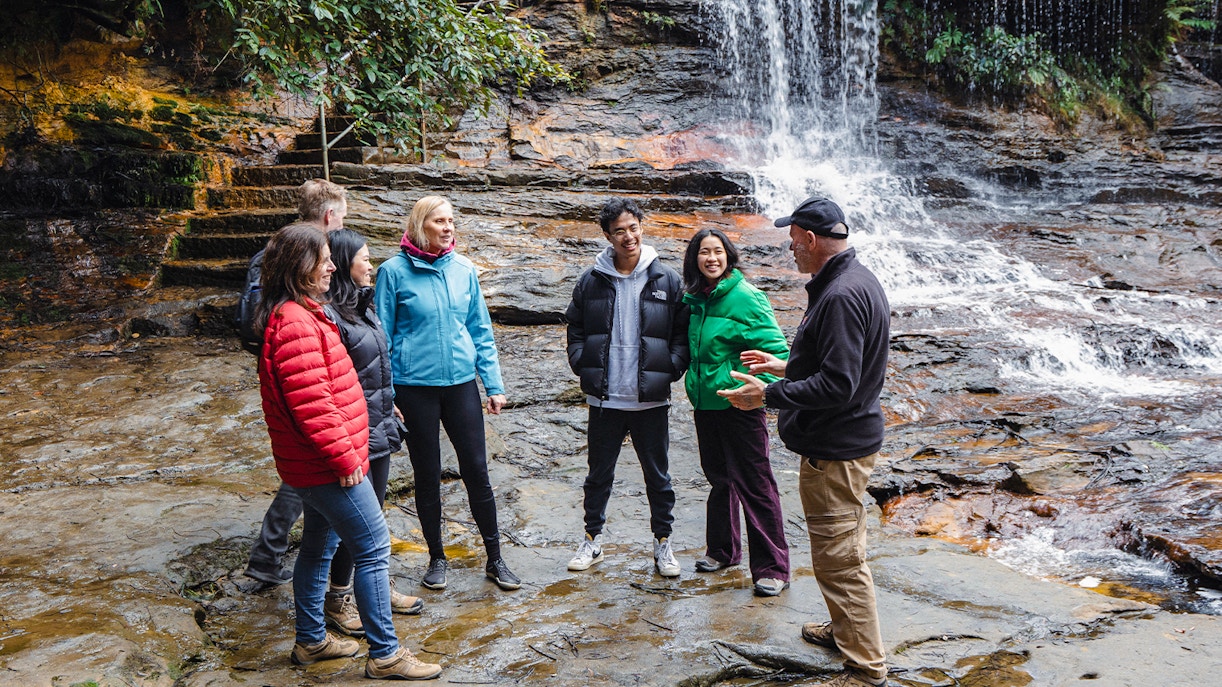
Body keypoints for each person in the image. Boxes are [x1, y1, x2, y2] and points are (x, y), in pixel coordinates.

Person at [256, 223, 441, 680]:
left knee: (319, 547)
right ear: (302, 267)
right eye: (324, 258)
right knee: (374, 547)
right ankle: (385, 654)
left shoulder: (303, 312)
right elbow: (314, 406)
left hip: (318, 463)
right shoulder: (296, 323)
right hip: (326, 465)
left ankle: (312, 641)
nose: (332, 266)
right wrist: (347, 461)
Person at [719, 197, 890, 687]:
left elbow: (839, 384)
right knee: (842, 547)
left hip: (836, 450)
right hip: (849, 442)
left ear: (810, 239)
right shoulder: (857, 280)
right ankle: (844, 631)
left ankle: (865, 669)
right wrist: (785, 367)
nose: (789, 247)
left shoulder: (838, 296)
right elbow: (839, 365)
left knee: (839, 560)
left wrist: (766, 395)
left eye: (792, 238)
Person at [373, 196, 520, 592]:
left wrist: (494, 385)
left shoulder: (464, 270)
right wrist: (387, 396)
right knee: (427, 474)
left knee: (477, 469)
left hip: (460, 386)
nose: (448, 227)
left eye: (452, 221)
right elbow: (380, 340)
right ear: (421, 224)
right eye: (440, 221)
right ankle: (436, 558)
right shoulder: (392, 272)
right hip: (413, 389)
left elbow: (480, 330)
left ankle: (495, 558)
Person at [564, 197, 689, 577]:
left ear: (641, 228)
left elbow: (682, 334)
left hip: (650, 399)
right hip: (605, 398)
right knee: (598, 474)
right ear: (607, 236)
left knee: (659, 476)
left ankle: (663, 543)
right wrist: (581, 364)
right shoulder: (591, 280)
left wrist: (670, 369)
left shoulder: (666, 278)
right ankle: (592, 540)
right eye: (619, 230)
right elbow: (576, 330)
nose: (628, 236)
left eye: (633, 228)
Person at [319, 229, 424, 637]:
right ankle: (339, 597)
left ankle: (374, 588)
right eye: (364, 258)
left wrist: (390, 400)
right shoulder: (331, 316)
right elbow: (335, 382)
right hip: (352, 430)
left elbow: (376, 364)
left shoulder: (364, 306)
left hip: (378, 422)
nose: (371, 265)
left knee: (375, 513)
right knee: (359, 523)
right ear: (346, 264)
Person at [243, 179, 347, 586]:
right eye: (341, 217)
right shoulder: (316, 258)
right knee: (307, 467)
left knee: (303, 465)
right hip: (305, 368)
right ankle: (269, 556)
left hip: (281, 367)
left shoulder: (276, 249)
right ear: (329, 215)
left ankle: (268, 557)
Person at [681, 228, 791, 597]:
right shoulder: (698, 299)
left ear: (728, 256)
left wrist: (759, 390)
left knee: (755, 483)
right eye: (704, 252)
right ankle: (723, 551)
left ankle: (773, 568)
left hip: (741, 404)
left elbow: (780, 354)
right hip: (706, 403)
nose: (711, 258)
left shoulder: (746, 297)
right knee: (719, 478)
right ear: (694, 259)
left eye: (718, 251)